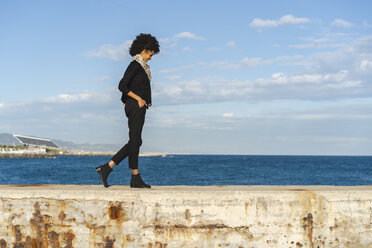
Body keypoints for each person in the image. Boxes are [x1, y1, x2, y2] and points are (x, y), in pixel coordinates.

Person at [95, 33, 160, 188]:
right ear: (145, 49)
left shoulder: (140, 66)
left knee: (136, 141)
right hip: (136, 106)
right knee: (135, 141)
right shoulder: (135, 65)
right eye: (150, 54)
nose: (151, 58)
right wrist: (136, 100)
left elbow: (129, 86)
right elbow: (122, 85)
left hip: (136, 106)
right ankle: (116, 170)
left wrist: (126, 101)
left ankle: (123, 173)